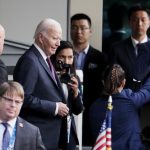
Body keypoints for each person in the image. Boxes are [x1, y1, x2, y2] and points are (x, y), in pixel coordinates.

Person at [13, 18, 69, 150]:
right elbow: (24, 98)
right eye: (55, 38)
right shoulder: (30, 60)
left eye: (59, 39)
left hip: (50, 135)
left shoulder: (44, 58)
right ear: (41, 38)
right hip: (38, 136)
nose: (58, 43)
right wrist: (55, 107)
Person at [89, 64, 150, 150]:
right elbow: (148, 90)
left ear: (103, 82)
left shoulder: (94, 107)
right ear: (123, 82)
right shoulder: (130, 99)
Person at [70, 13, 108, 146]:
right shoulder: (62, 55)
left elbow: (103, 86)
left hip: (91, 108)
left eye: (83, 28)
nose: (78, 31)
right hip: (67, 107)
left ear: (90, 31)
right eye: (74, 27)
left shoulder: (100, 58)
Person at [51, 40, 83, 150]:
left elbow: (78, 110)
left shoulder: (75, 78)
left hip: (68, 132)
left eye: (70, 57)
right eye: (62, 57)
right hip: (51, 130)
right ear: (55, 57)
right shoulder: (49, 75)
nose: (66, 61)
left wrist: (75, 92)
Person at [111, 3, 150, 91]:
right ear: (130, 22)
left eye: (143, 20)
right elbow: (114, 79)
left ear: (149, 22)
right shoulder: (117, 48)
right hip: (125, 100)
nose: (139, 24)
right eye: (135, 20)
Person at [0, 81, 46, 150]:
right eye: (9, 100)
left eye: (17, 102)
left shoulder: (32, 132)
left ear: (21, 104)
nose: (13, 105)